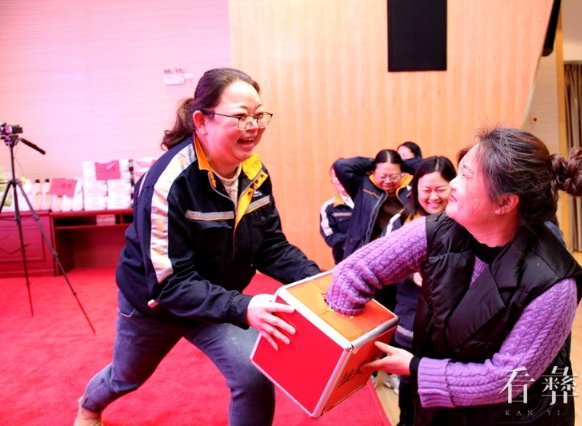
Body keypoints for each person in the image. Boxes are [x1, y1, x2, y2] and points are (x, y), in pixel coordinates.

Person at [74, 68, 321, 426]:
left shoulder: (254, 172)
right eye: (240, 116)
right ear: (202, 121)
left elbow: (270, 245)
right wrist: (244, 306)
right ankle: (88, 407)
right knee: (125, 378)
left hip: (215, 300)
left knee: (253, 374)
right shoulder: (167, 182)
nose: (253, 126)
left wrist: (318, 281)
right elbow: (170, 284)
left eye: (258, 115)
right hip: (156, 305)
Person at [326, 127, 582, 425]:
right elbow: (354, 273)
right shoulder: (438, 230)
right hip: (441, 406)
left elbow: (505, 377)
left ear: (505, 202)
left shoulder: (555, 283)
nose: (452, 185)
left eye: (466, 176)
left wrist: (417, 369)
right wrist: (343, 352)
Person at [382, 156, 456, 425]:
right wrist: (410, 271)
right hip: (412, 321)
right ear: (415, 190)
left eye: (440, 189)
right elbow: (384, 265)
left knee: (446, 392)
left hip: (453, 328)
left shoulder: (464, 220)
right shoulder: (401, 222)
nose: (433, 197)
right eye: (426, 190)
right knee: (410, 391)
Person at [332, 149, 413, 310]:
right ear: (374, 172)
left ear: (402, 173)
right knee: (361, 305)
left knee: (390, 307)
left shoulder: (409, 190)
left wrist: (403, 164)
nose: (388, 181)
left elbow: (428, 166)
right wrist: (375, 162)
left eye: (394, 176)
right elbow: (341, 166)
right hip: (364, 257)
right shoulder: (363, 185)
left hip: (395, 258)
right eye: (382, 176)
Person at [319, 166, 354, 264]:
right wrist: (354, 242)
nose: (340, 179)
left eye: (344, 174)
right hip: (345, 261)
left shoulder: (369, 202)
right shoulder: (328, 207)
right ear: (332, 181)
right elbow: (330, 236)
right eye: (336, 176)